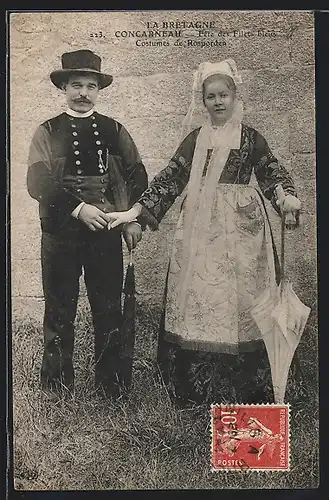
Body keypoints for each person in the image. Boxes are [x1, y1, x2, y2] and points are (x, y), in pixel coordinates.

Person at [106, 59, 301, 406]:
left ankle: (248, 382)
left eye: (224, 94)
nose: (218, 102)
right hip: (200, 230)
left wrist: (285, 196)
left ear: (235, 96)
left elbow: (272, 173)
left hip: (244, 232)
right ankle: (195, 384)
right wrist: (137, 210)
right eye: (210, 96)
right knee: (201, 295)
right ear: (203, 101)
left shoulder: (251, 138)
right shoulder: (195, 140)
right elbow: (171, 178)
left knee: (242, 296)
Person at [27, 49, 148, 398]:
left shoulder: (114, 129)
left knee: (108, 309)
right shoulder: (47, 130)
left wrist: (131, 220)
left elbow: (136, 174)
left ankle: (111, 387)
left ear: (99, 90)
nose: (83, 93)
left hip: (105, 233)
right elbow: (37, 181)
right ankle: (56, 387)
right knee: (59, 308)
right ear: (63, 87)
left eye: (90, 86)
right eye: (76, 85)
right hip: (60, 232)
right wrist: (78, 208)